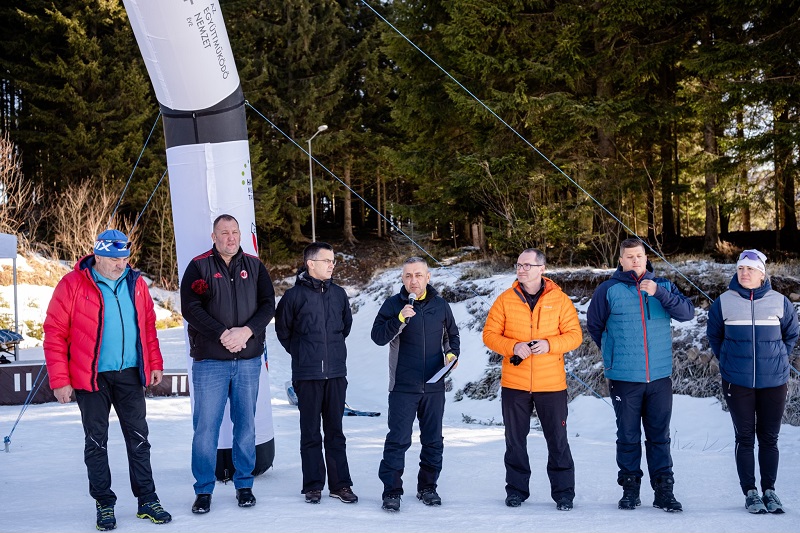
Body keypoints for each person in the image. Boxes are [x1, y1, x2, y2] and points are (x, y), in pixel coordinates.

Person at [43, 229, 172, 531]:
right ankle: (104, 503)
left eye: (125, 258)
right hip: (91, 377)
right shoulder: (72, 284)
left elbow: (147, 327)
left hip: (129, 375)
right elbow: (54, 333)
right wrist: (59, 379)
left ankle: (147, 500)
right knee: (96, 442)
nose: (120, 264)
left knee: (139, 439)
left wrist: (154, 362)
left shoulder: (136, 284)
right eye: (114, 259)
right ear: (98, 256)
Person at [587, 238, 694, 512]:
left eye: (639, 256)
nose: (635, 261)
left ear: (646, 259)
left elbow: (687, 313)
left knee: (659, 436)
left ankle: (663, 490)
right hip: (625, 378)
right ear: (620, 260)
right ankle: (630, 489)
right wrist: (613, 353)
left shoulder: (665, 286)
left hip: (659, 376)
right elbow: (595, 327)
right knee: (628, 435)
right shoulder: (608, 290)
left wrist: (659, 293)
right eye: (629, 256)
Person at [180, 214, 275, 514]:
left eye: (235, 232)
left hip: (247, 360)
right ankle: (204, 490)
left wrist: (246, 331)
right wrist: (222, 333)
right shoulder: (199, 266)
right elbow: (190, 308)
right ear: (213, 237)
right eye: (224, 233)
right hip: (211, 361)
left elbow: (268, 304)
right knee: (205, 427)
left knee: (246, 425)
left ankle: (244, 484)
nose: (231, 237)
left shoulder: (255, 266)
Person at [482, 248, 582, 511]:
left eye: (527, 265)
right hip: (515, 384)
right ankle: (516, 491)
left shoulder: (559, 300)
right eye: (519, 265)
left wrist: (549, 344)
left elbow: (575, 335)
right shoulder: (505, 300)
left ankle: (563, 494)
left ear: (542, 268)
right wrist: (513, 346)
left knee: (557, 440)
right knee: (515, 441)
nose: (522, 269)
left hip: (551, 385)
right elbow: (490, 335)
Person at [707, 249, 798, 514]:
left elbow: (790, 335)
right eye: (740, 269)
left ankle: (770, 490)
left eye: (750, 269)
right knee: (745, 437)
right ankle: (750, 492)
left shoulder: (780, 302)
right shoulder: (724, 302)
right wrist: (728, 360)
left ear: (762, 273)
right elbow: (715, 337)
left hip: (774, 382)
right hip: (738, 382)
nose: (744, 273)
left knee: (769, 438)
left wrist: (778, 359)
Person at [371, 257, 460, 512]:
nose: (413, 280)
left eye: (418, 275)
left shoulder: (441, 306)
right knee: (398, 440)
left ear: (428, 277)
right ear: (402, 278)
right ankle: (392, 491)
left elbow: (452, 336)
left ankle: (428, 487)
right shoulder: (393, 305)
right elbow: (378, 337)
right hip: (402, 385)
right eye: (408, 276)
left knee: (433, 440)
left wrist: (452, 355)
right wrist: (399, 319)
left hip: (433, 385)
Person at [275, 242, 358, 505]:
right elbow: (283, 332)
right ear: (311, 264)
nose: (332, 264)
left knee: (335, 431)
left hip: (335, 373)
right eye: (327, 261)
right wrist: (303, 354)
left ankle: (340, 485)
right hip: (307, 375)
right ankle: (313, 486)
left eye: (333, 260)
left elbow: (345, 327)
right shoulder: (293, 297)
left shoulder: (339, 294)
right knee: (310, 431)